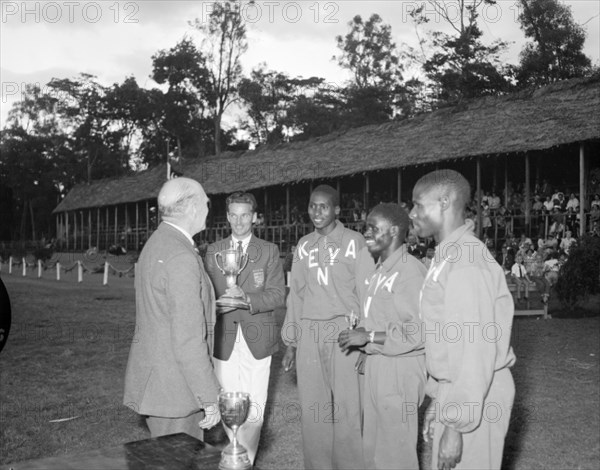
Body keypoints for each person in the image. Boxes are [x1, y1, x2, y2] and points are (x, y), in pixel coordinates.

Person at [409, 169, 516, 470]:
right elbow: (445, 340)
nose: (412, 213)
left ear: (444, 202)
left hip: (477, 394)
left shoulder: (466, 260)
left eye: (418, 204)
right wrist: (439, 399)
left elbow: (473, 350)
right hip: (459, 392)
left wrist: (455, 424)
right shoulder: (447, 256)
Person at [123, 177, 221, 440]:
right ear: (191, 208)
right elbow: (188, 338)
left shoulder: (158, 242)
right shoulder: (180, 256)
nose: (208, 209)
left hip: (160, 381)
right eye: (206, 203)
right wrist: (209, 396)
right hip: (176, 389)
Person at [282, 184, 366, 470]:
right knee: (313, 409)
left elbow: (367, 292)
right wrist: (292, 342)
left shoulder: (355, 242)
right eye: (312, 206)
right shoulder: (303, 245)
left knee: (347, 407)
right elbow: (296, 294)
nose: (317, 212)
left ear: (337, 210)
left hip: (344, 331)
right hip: (309, 331)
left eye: (324, 206)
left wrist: (365, 336)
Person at [338, 203, 426, 470]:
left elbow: (418, 332)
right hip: (380, 364)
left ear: (395, 230)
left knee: (395, 455)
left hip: (400, 369)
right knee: (374, 452)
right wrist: (368, 348)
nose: (366, 234)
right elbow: (380, 318)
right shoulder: (381, 271)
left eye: (373, 229)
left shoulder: (410, 271)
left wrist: (368, 337)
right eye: (366, 228)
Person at [204, 192, 286, 464]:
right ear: (227, 216)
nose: (239, 222)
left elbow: (277, 295)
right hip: (223, 339)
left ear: (254, 217)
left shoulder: (269, 250)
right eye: (234, 215)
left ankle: (245, 461)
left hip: (257, 338)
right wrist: (221, 304)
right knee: (227, 401)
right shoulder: (213, 251)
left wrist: (246, 299)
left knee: (255, 405)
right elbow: (204, 297)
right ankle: (234, 453)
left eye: (245, 216)